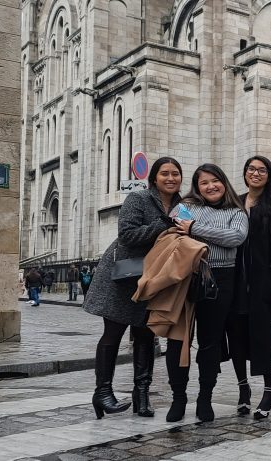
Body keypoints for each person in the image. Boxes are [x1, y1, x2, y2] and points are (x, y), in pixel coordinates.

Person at [83, 157, 183, 419]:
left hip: (154, 279)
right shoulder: (138, 199)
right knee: (113, 333)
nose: (171, 178)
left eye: (175, 174)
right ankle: (103, 392)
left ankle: (142, 394)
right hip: (124, 277)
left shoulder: (182, 206)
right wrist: (163, 224)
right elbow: (127, 235)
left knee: (146, 335)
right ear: (154, 178)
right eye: (165, 173)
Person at [165, 163, 249, 423]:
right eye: (204, 183)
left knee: (210, 341)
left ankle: (205, 398)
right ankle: (178, 397)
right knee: (178, 340)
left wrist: (194, 229)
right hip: (185, 276)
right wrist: (204, 233)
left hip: (221, 278)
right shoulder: (185, 206)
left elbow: (235, 238)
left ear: (224, 182)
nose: (211, 186)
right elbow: (173, 230)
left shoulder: (237, 211)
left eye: (215, 180)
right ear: (197, 187)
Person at [227, 156, 271, 420]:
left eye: (261, 170)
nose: (255, 173)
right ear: (245, 173)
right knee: (236, 335)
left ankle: (268, 390)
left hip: (265, 284)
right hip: (235, 282)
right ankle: (243, 388)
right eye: (251, 169)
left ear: (269, 175)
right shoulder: (234, 203)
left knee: (265, 338)